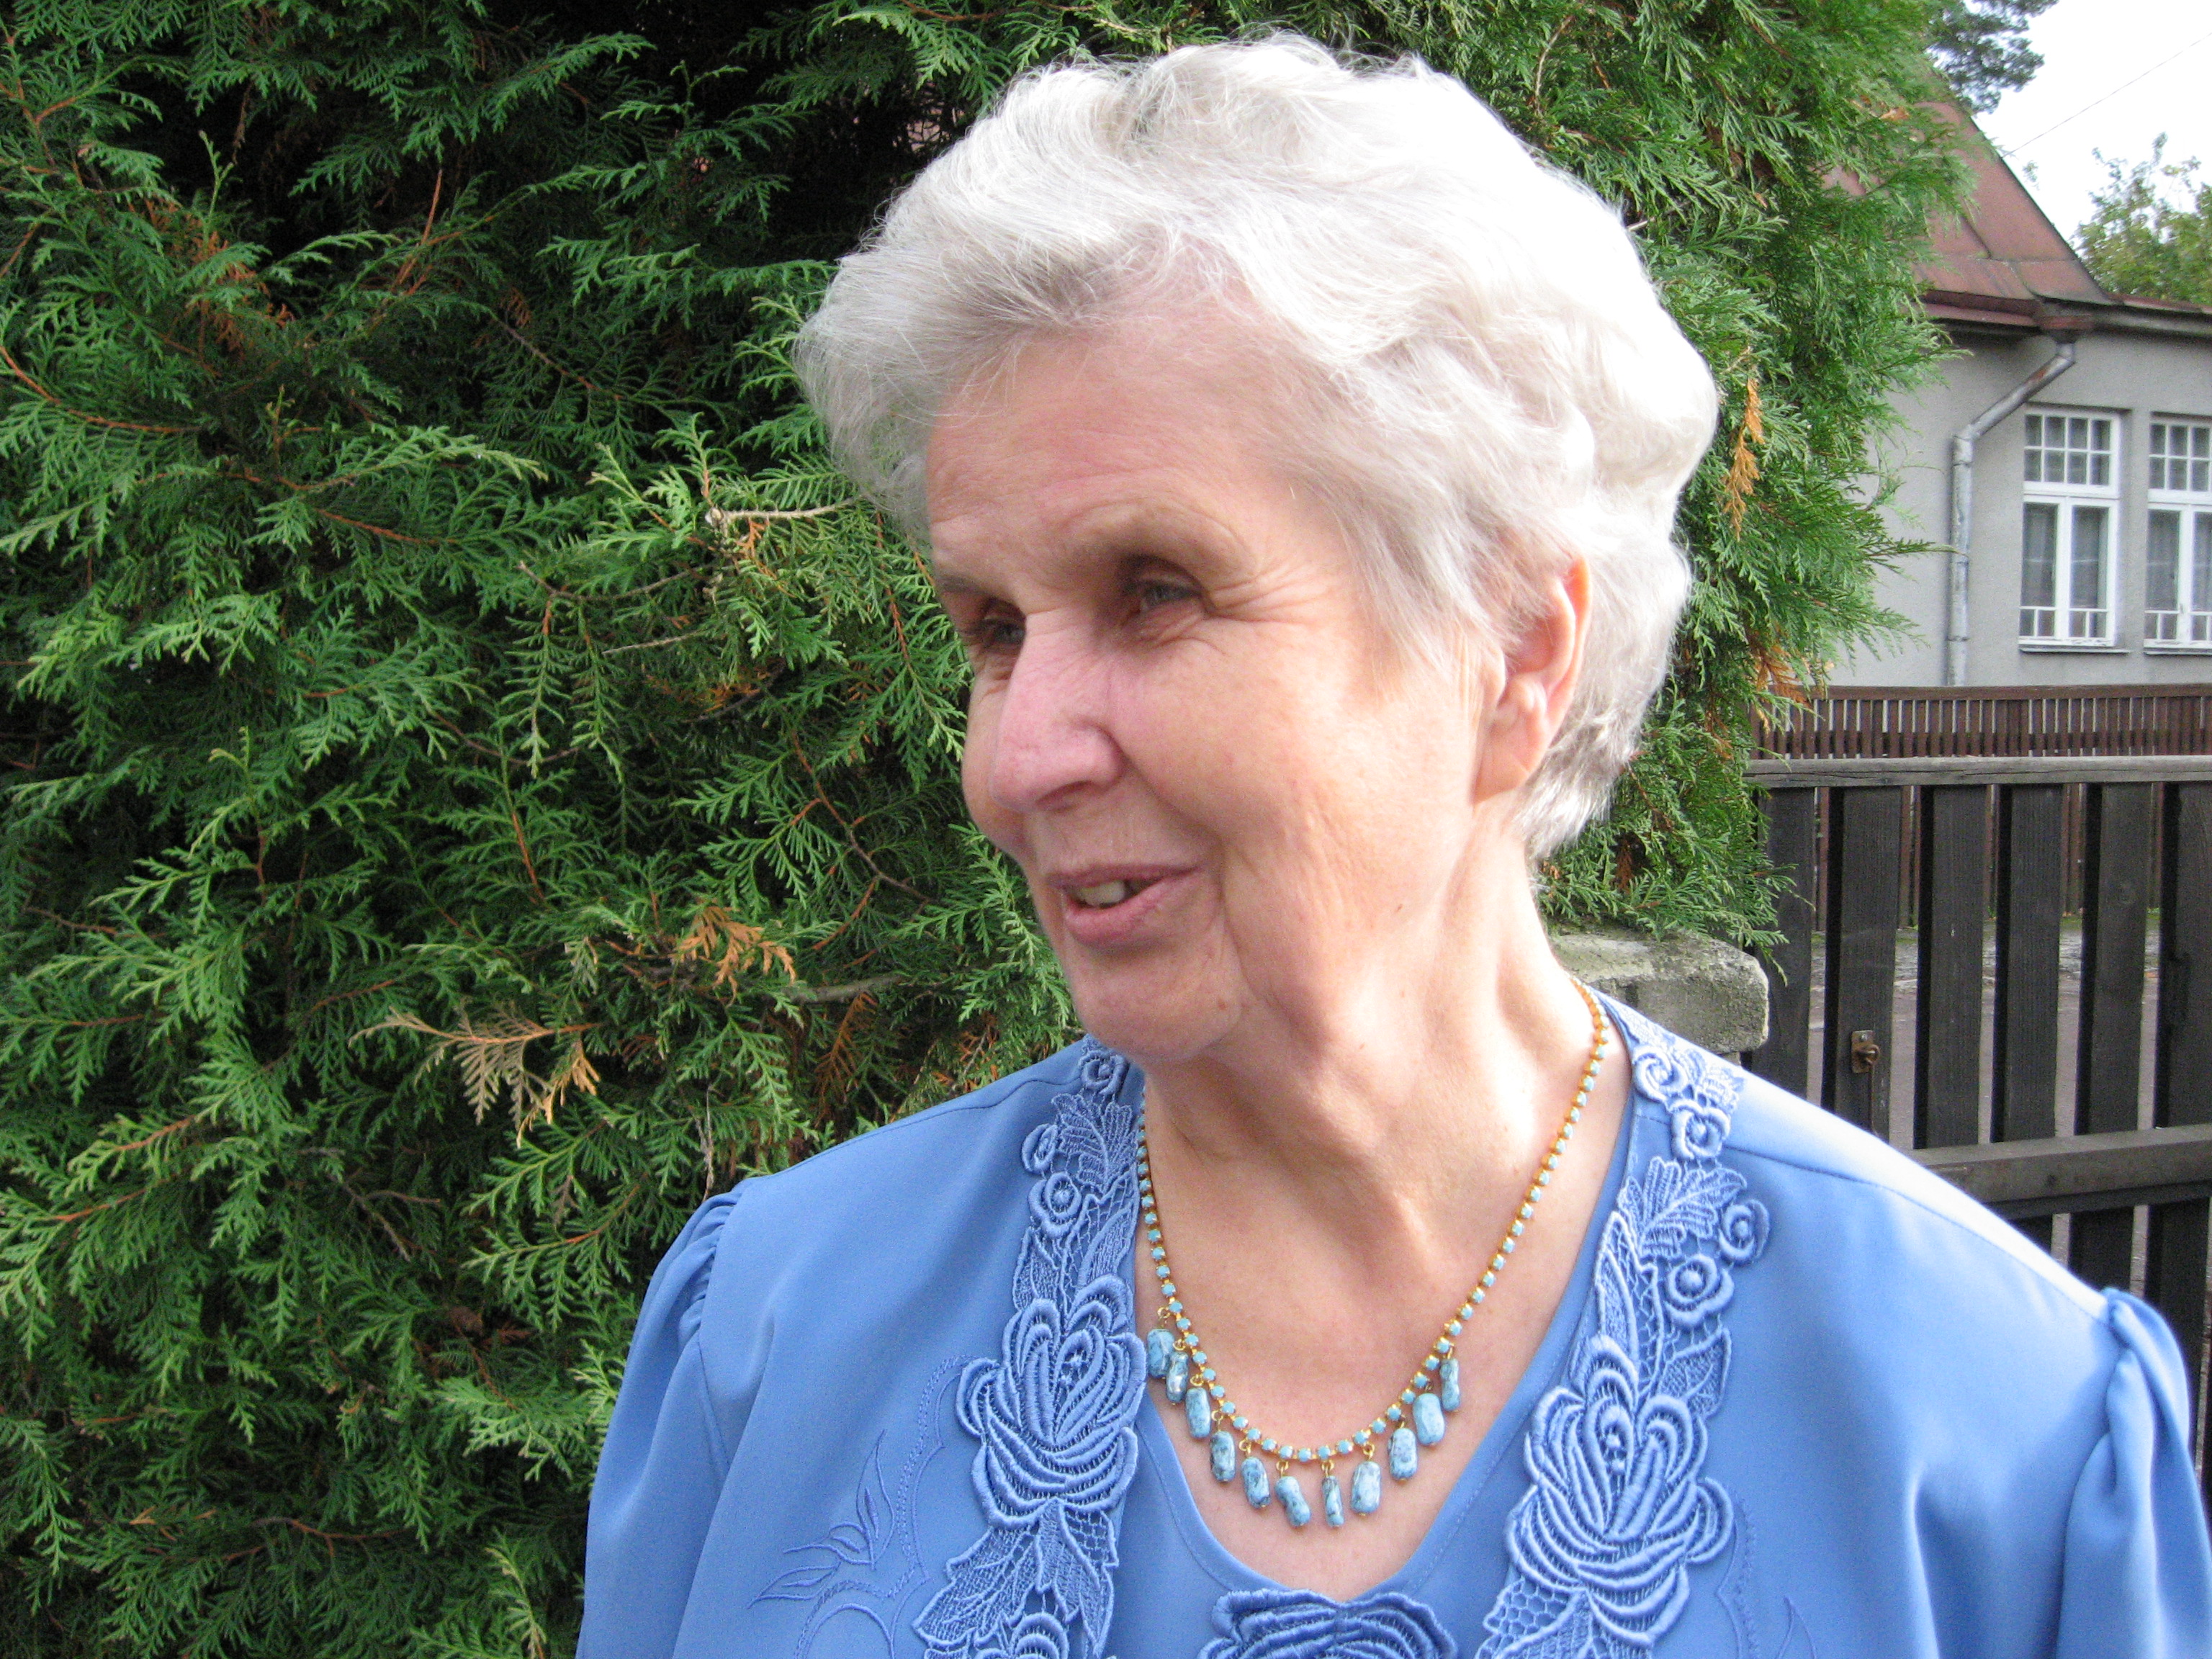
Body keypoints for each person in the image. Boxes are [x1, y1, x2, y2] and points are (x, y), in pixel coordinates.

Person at [580, 38, 2212, 1659]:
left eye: (1157, 591)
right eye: (996, 627)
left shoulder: (1986, 1438)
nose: (1017, 757)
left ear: (1513, 652)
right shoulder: (778, 1343)